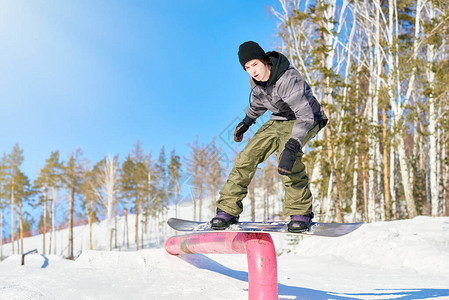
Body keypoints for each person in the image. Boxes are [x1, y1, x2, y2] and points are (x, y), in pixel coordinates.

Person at [210, 41, 328, 233]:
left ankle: (301, 212)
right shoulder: (256, 82)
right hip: (279, 120)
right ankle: (227, 209)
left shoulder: (288, 78)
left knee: (288, 158)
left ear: (264, 60)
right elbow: (258, 104)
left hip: (308, 118)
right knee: (245, 158)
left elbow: (304, 116)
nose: (252, 71)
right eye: (247, 67)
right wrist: (246, 121)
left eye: (255, 64)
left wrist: (292, 146)